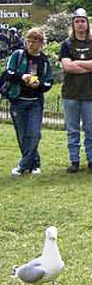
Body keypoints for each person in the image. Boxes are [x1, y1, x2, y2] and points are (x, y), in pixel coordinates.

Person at [60, 8, 92, 173]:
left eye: (82, 21)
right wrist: (89, 65)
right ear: (73, 24)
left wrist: (77, 63)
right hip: (70, 94)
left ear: (87, 24)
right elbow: (67, 67)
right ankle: (74, 160)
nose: (80, 24)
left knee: (90, 129)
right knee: (72, 130)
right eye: (77, 21)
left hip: (90, 94)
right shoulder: (66, 44)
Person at [6, 28, 53, 176]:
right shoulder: (18, 55)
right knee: (22, 135)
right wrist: (22, 77)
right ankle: (33, 164)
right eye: (29, 40)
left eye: (35, 41)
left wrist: (38, 84)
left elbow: (48, 82)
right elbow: (8, 73)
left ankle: (22, 165)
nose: (31, 44)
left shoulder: (44, 61)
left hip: (35, 102)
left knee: (34, 134)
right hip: (18, 100)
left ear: (41, 43)